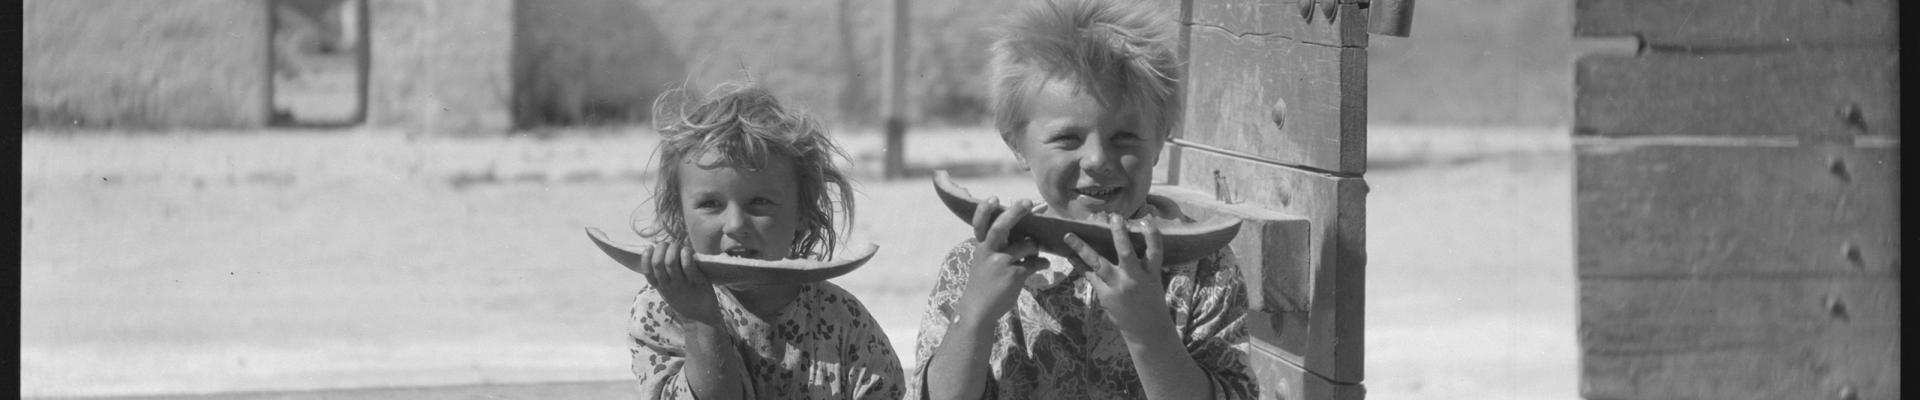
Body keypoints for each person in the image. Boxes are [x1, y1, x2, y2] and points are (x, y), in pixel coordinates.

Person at [908, 0, 1256, 399]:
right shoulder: (973, 266)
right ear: (1017, 146)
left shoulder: (1204, 270)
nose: (1096, 160)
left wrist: (1149, 332)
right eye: (1067, 139)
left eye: (1124, 137)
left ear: (1161, 141)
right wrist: (974, 316)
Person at [622, 81, 904, 399]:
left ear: (803, 214)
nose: (735, 225)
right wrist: (699, 318)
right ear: (680, 213)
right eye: (710, 204)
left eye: (760, 203)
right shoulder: (662, 307)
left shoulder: (843, 320)